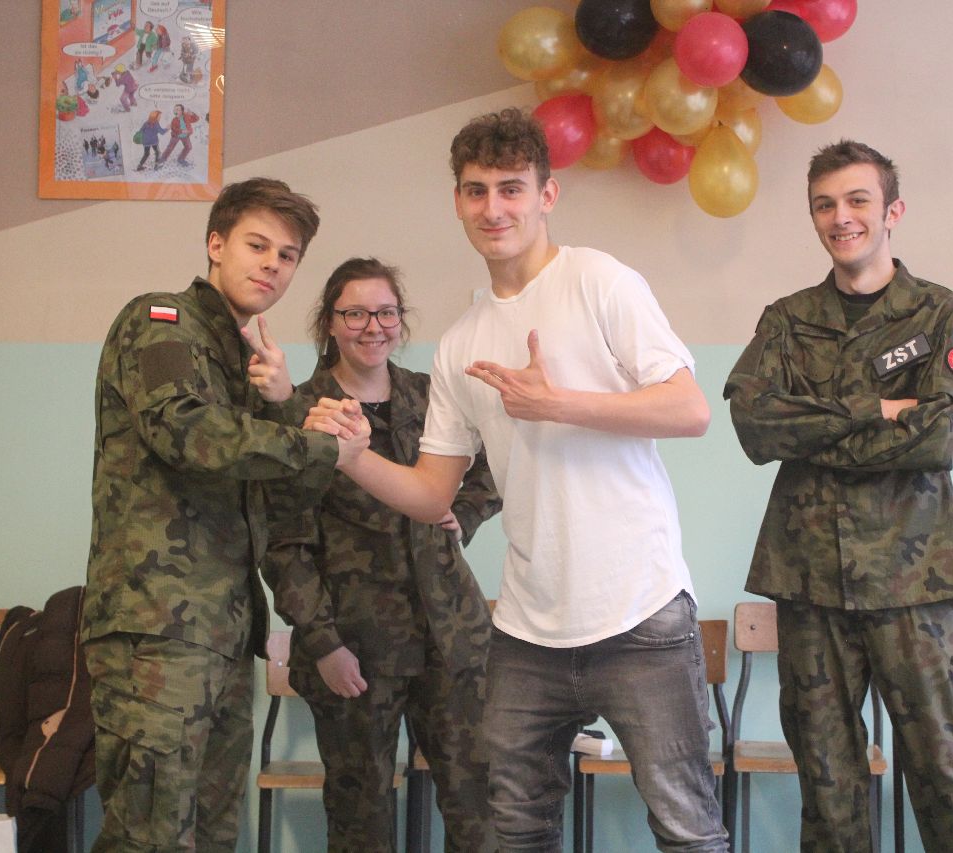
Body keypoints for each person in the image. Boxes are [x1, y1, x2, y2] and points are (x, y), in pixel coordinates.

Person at [306, 108, 728, 853]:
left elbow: (689, 409)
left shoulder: (599, 280)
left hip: (640, 611)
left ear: (546, 195)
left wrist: (556, 403)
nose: (493, 208)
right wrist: (354, 457)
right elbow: (433, 495)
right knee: (515, 831)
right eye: (476, 191)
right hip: (527, 634)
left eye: (511, 188)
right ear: (458, 201)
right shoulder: (461, 343)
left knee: (687, 829)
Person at [723, 140, 953, 852]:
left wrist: (814, 430)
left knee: (948, 777)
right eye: (825, 204)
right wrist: (875, 410)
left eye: (857, 200)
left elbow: (940, 436)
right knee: (828, 787)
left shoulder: (938, 312)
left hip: (915, 580)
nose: (840, 217)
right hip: (809, 579)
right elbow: (755, 425)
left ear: (892, 212)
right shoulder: (787, 319)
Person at [82, 177, 371, 853]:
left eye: (288, 255)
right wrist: (315, 443)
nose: (272, 265)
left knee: (214, 835)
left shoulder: (244, 360)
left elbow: (277, 496)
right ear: (216, 243)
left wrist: (287, 404)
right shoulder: (161, 320)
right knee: (149, 837)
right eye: (256, 245)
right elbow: (185, 432)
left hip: (224, 631)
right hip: (156, 630)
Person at [266, 257, 501, 852]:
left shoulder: (431, 394)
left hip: (452, 635)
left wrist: (466, 512)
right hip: (356, 645)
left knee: (479, 806)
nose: (373, 327)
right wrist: (323, 643)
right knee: (361, 817)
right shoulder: (303, 412)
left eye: (386, 312)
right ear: (330, 322)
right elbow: (284, 544)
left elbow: (497, 462)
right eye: (355, 313)